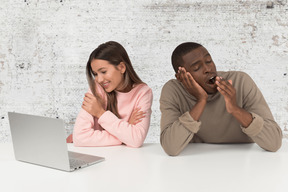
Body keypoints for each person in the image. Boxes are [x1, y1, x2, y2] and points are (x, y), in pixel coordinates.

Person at [160, 42, 282, 156]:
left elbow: (274, 143)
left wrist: (235, 109)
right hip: (197, 163)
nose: (208, 69)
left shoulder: (240, 81)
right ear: (181, 77)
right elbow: (171, 147)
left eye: (208, 61)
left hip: (244, 159)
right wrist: (201, 100)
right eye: (197, 68)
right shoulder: (173, 91)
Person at [66, 41, 153, 148]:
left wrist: (100, 113)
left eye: (103, 72)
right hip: (91, 154)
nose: (99, 79)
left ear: (121, 67)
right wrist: (125, 133)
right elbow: (80, 138)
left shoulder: (143, 93)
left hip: (121, 157)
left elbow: (136, 140)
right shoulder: (97, 88)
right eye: (95, 74)